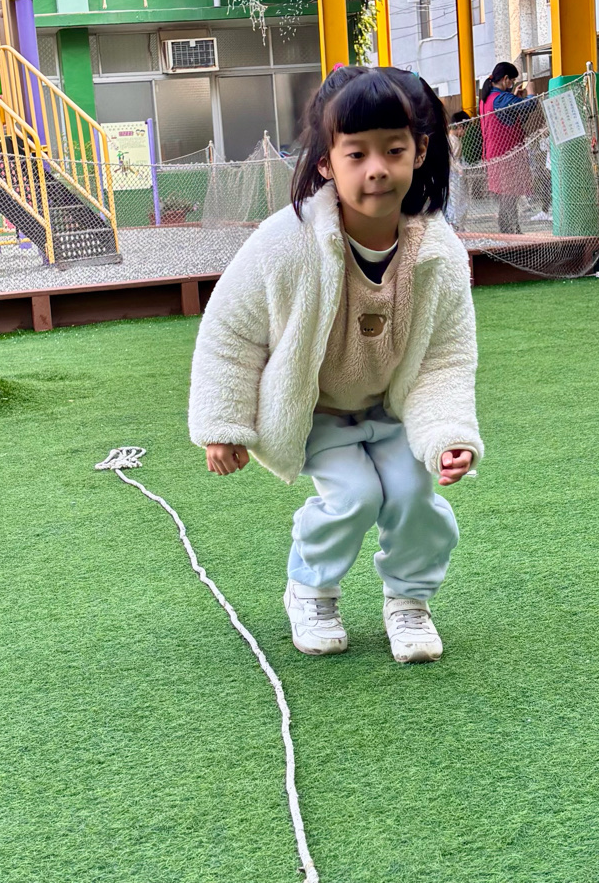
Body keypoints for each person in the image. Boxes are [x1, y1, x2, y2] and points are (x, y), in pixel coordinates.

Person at [189, 66, 483, 664]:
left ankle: (409, 601)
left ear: (420, 151)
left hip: (390, 409)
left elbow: (445, 359)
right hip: (316, 410)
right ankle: (311, 590)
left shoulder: (439, 253)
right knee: (354, 495)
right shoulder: (286, 241)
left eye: (393, 150)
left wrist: (449, 434)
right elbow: (230, 333)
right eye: (356, 154)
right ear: (327, 162)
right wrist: (223, 426)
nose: (376, 169)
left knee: (412, 494)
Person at [479, 62, 535, 234]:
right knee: (510, 195)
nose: (512, 84)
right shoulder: (501, 99)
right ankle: (510, 229)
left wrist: (513, 96)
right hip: (507, 155)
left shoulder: (486, 99)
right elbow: (529, 105)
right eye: (512, 81)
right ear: (505, 79)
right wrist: (531, 92)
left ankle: (511, 228)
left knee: (507, 195)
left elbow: (511, 115)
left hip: (494, 154)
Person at [447, 110, 471, 231]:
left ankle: (456, 225)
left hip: (452, 174)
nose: (465, 132)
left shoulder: (450, 139)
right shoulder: (453, 141)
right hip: (454, 175)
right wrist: (460, 170)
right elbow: (452, 159)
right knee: (458, 201)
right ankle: (457, 226)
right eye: (465, 129)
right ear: (460, 126)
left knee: (455, 201)